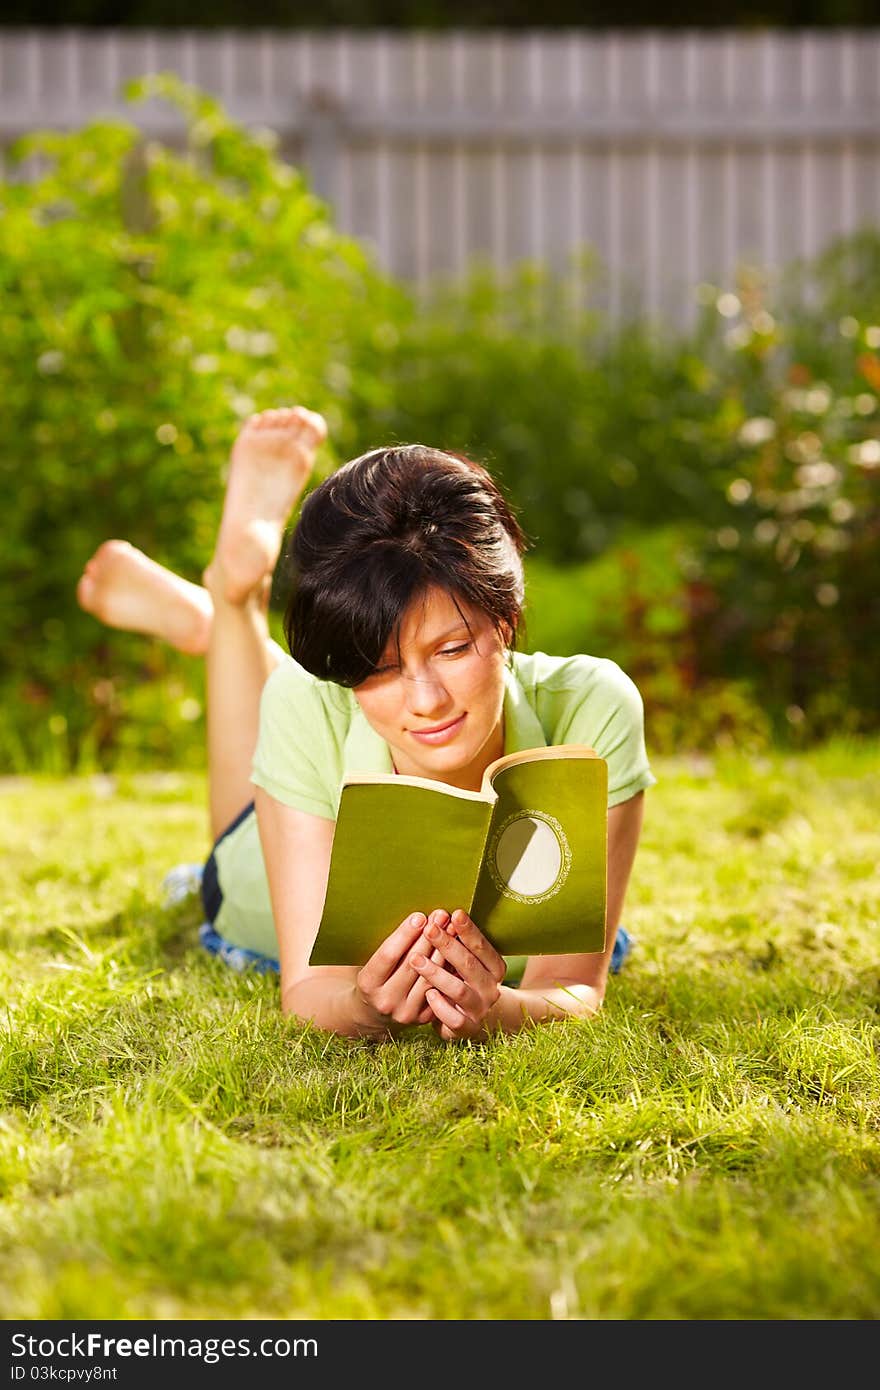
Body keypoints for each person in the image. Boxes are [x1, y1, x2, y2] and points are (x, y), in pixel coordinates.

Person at [77, 406, 656, 1042]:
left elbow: (570, 991)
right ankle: (232, 598)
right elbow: (308, 991)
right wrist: (361, 1005)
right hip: (264, 846)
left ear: (507, 618)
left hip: (316, 700)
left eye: (454, 649)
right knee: (245, 810)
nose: (427, 701)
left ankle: (222, 625)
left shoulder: (593, 708)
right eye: (376, 669)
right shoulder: (307, 698)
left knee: (314, 688)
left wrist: (498, 1011)